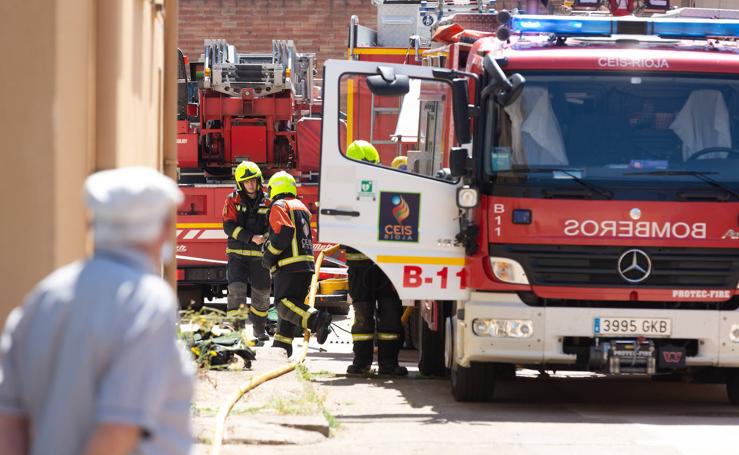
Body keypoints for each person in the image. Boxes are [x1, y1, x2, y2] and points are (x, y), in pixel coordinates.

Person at [0, 167, 193, 455]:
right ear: (163, 230)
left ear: (91, 225)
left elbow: (9, 423)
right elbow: (117, 431)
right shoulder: (146, 302)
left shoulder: (44, 296)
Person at [344, 141, 408, 376]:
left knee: (368, 314)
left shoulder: (345, 191)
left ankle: (363, 364)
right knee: (382, 313)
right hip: (383, 265)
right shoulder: (385, 187)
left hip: (367, 265)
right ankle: (383, 365)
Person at [262, 171, 332, 356]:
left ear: (275, 188)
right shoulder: (301, 206)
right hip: (306, 264)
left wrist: (269, 255)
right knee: (292, 305)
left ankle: (317, 320)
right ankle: (281, 347)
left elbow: (284, 232)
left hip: (288, 265)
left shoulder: (280, 205)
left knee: (283, 305)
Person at [222, 161, 271, 341]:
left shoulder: (268, 201)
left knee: (262, 294)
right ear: (240, 184)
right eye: (246, 181)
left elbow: (272, 226)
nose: (250, 184)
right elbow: (228, 226)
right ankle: (236, 333)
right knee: (236, 293)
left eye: (253, 181)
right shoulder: (232, 199)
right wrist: (251, 237)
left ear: (259, 181)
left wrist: (265, 236)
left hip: (260, 257)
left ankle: (259, 330)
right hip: (237, 256)